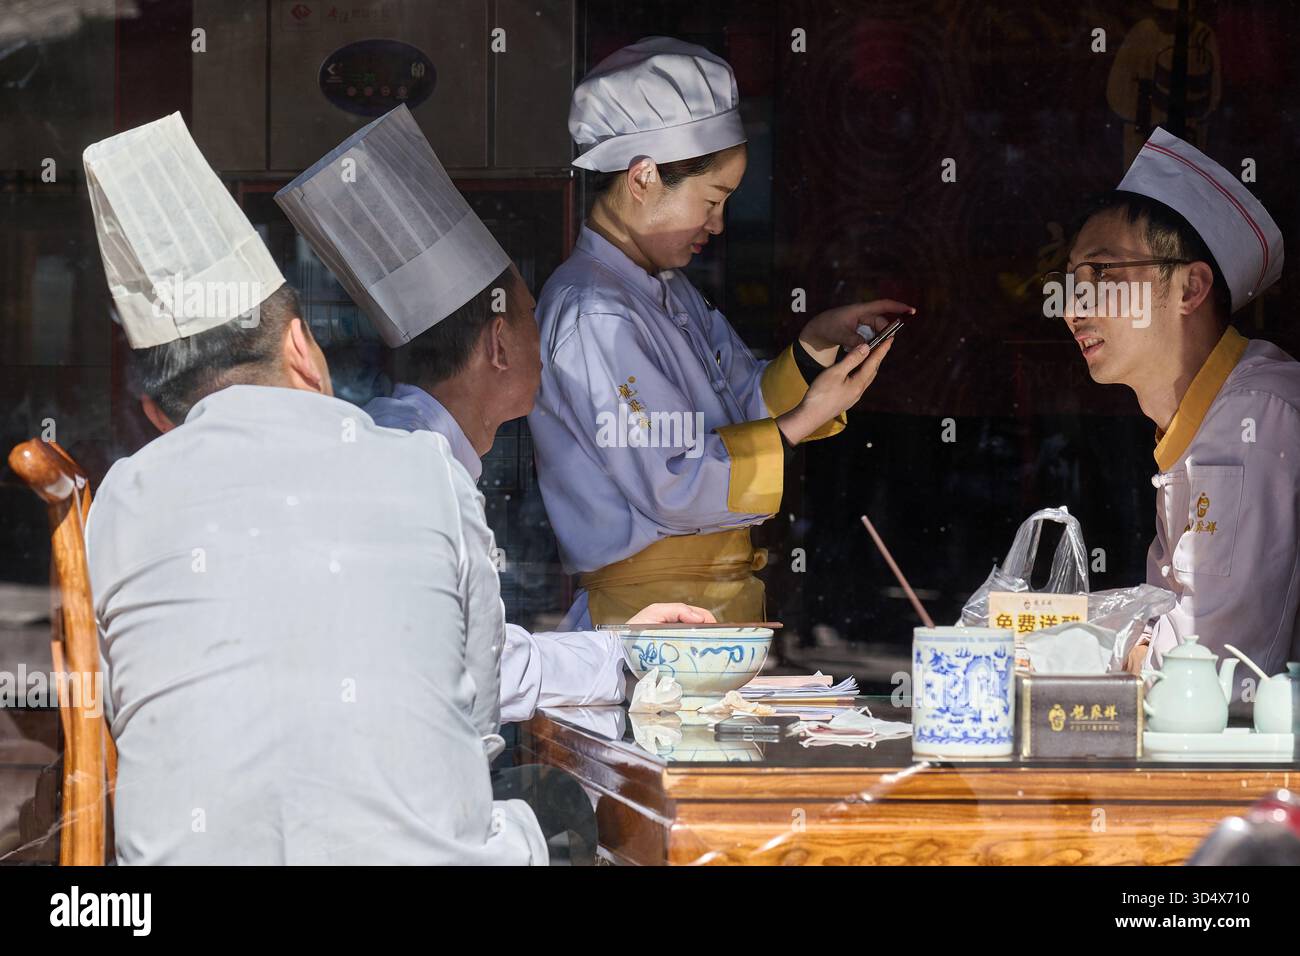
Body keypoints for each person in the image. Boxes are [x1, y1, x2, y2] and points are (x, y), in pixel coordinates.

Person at [82, 112, 546, 864]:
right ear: (303, 349)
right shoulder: (427, 471)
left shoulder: (119, 505)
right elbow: (480, 722)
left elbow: (125, 716)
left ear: (156, 416)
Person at [274, 105, 715, 725]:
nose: (549, 336)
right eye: (534, 316)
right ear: (500, 344)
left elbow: (482, 653)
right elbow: (481, 674)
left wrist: (619, 650)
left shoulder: (402, 444)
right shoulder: (416, 469)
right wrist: (622, 657)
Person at [529, 37, 914, 627]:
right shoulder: (592, 314)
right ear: (642, 178)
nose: (718, 223)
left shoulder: (666, 288)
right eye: (712, 199)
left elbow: (739, 406)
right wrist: (806, 419)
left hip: (716, 611)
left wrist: (815, 349)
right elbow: (672, 483)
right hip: (649, 618)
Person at [1055, 127, 1298, 687]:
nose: (1073, 307)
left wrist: (1058, 643)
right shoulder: (1199, 421)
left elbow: (1210, 671)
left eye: (1104, 273)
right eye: (1070, 281)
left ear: (1190, 289)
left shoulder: (1256, 418)